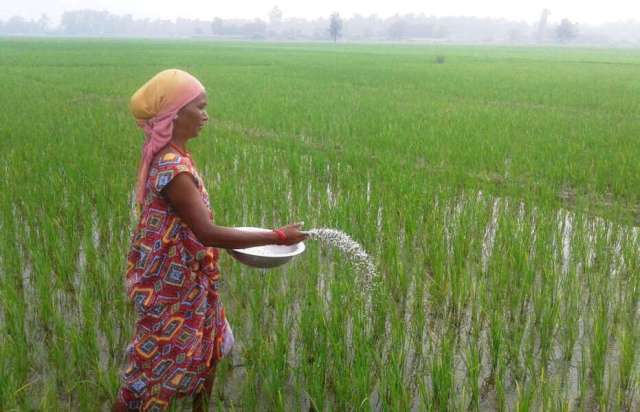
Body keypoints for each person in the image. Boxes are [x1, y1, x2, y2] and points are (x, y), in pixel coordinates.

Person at [113, 69, 307, 412]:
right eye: (199, 107)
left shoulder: (175, 157)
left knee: (213, 344)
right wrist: (277, 236)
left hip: (189, 280)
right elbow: (207, 233)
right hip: (170, 290)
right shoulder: (173, 168)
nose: (206, 115)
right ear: (174, 114)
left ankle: (200, 407)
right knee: (149, 375)